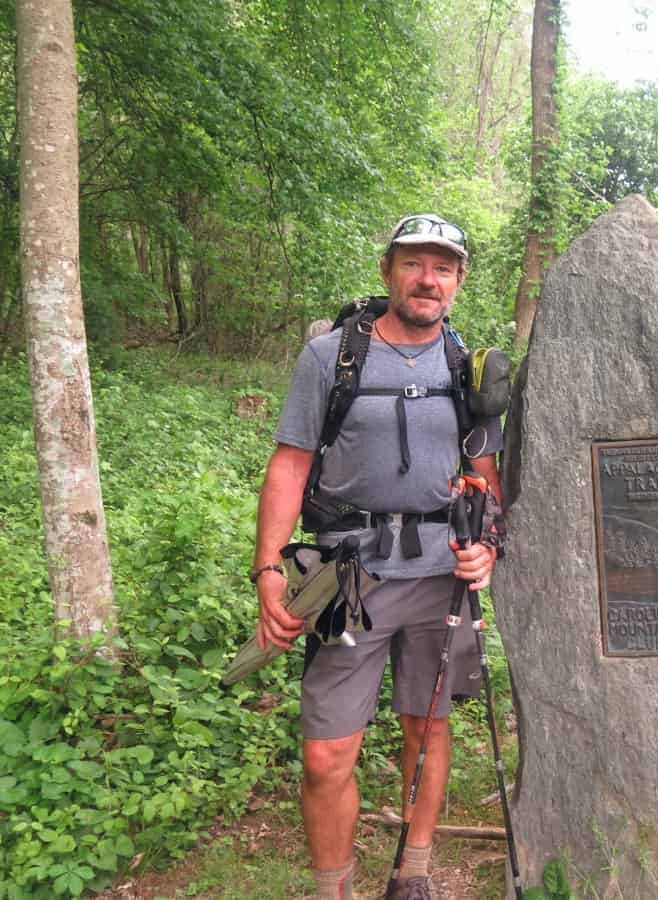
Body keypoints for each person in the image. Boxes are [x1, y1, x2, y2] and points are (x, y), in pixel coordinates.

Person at [250, 214, 502, 900]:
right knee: (326, 754)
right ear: (389, 269)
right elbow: (290, 465)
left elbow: (486, 473)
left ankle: (414, 869)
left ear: (458, 281)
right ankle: (334, 888)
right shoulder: (330, 357)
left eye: (443, 268)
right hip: (344, 575)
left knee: (428, 725)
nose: (428, 280)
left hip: (438, 576)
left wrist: (489, 544)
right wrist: (270, 568)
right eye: (415, 264)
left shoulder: (469, 368)